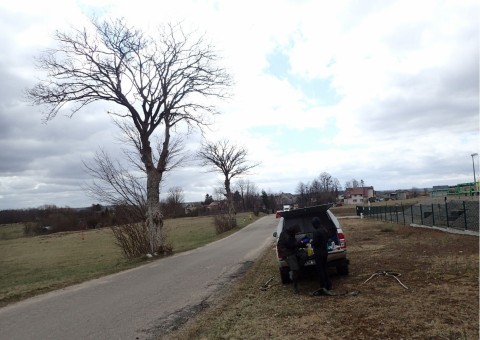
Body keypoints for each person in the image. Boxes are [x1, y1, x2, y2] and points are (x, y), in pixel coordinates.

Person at [277, 224, 302, 293]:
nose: (296, 233)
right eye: (296, 232)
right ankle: (295, 287)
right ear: (294, 230)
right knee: (295, 269)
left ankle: (294, 272)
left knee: (302, 257)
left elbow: (293, 244)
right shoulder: (286, 235)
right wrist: (299, 242)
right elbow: (290, 244)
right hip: (286, 253)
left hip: (290, 251)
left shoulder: (290, 233)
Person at [311, 217, 331, 294]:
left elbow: (315, 243)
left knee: (320, 270)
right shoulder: (324, 230)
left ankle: (323, 286)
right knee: (325, 268)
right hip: (325, 251)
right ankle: (328, 284)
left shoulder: (316, 232)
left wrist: (311, 242)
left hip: (318, 253)